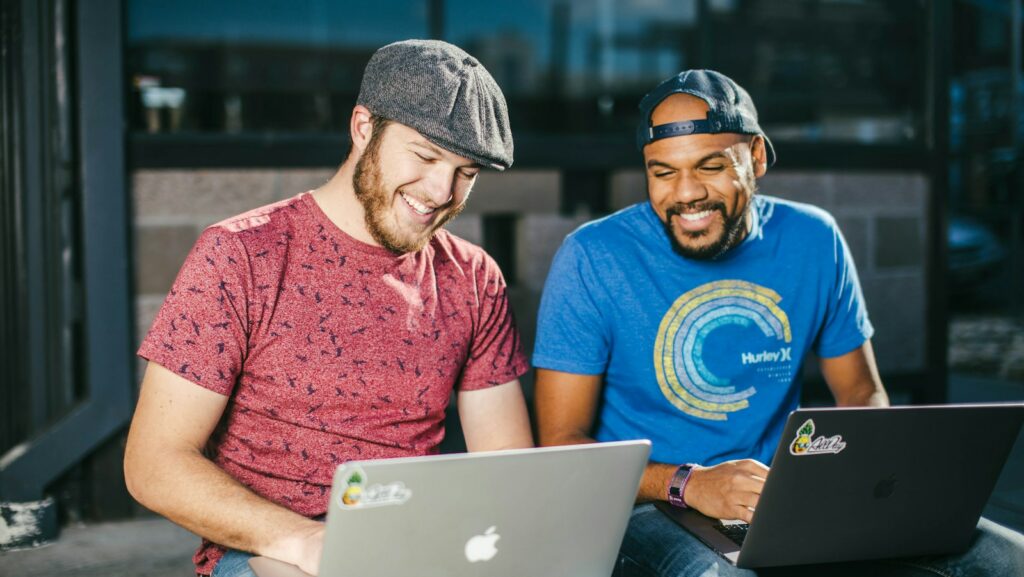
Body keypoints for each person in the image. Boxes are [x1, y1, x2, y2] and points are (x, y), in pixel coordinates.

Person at [532, 69, 1024, 576]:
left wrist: (854, 477)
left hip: (785, 499)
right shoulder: (593, 255)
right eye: (662, 172)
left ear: (758, 157)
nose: (686, 194)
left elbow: (861, 393)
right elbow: (562, 444)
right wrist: (689, 483)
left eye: (711, 166)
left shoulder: (814, 238)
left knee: (1003, 558)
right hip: (653, 506)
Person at [124, 39, 533, 577]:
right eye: (426, 156)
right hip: (271, 549)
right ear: (364, 127)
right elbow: (153, 465)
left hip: (415, 546)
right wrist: (308, 543)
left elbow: (505, 468)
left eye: (467, 172)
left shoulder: (473, 277)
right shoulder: (241, 254)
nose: (441, 191)